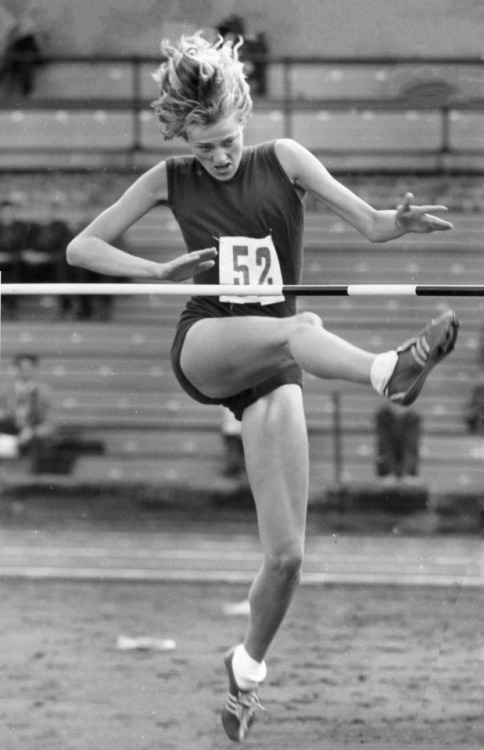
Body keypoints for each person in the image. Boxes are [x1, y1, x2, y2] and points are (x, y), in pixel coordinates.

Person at [66, 32, 459, 743]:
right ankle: (387, 372)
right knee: (298, 326)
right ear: (183, 131)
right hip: (209, 343)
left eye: (226, 140)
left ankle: (246, 674)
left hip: (274, 360)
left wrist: (396, 224)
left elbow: (368, 222)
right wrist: (153, 273)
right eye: (203, 144)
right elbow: (81, 247)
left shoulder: (285, 160)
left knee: (287, 557)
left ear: (244, 117)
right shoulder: (169, 178)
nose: (216, 156)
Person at [0, 353, 55, 456]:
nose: (24, 372)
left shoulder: (43, 393)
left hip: (33, 439)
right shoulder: (5, 391)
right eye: (21, 368)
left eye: (28, 368)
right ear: (14, 369)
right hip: (8, 435)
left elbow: (50, 424)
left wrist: (32, 432)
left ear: (35, 369)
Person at [375, 402, 421, 481]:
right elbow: (384, 447)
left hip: (409, 471)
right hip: (385, 472)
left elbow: (411, 448)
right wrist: (390, 473)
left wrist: (405, 473)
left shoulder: (413, 418)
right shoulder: (383, 416)